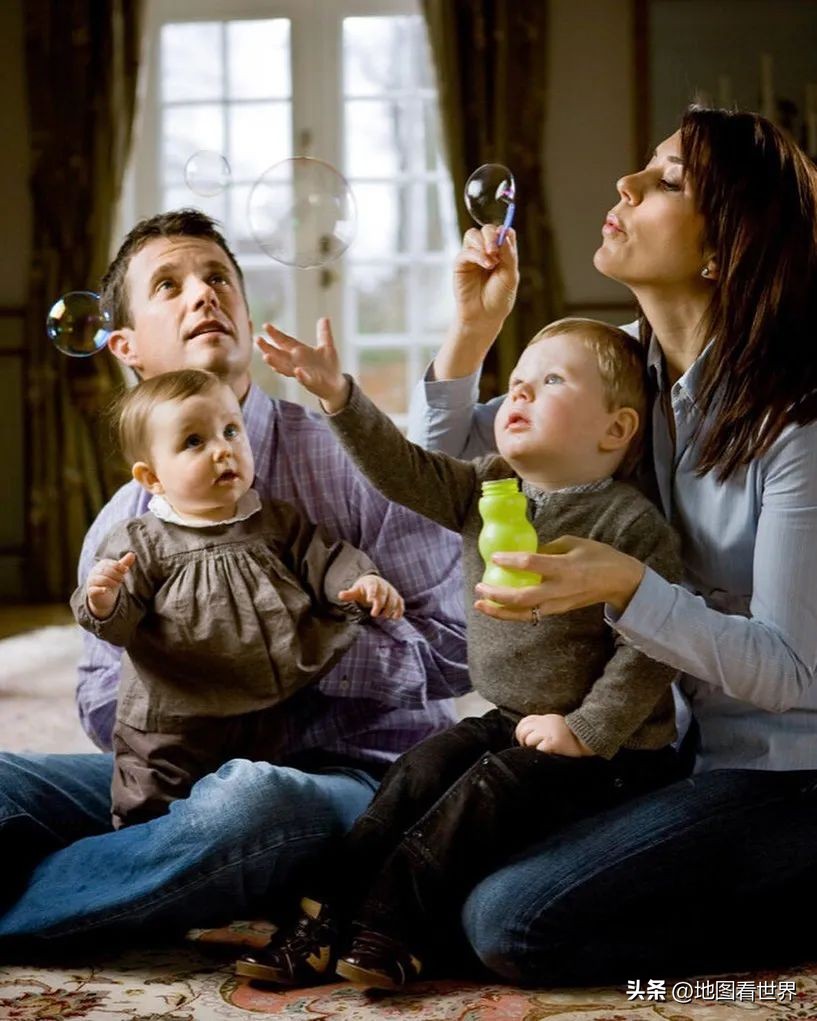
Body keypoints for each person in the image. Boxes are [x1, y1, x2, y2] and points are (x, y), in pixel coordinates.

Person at [405, 105, 817, 983]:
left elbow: (790, 673)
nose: (625, 184)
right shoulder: (625, 367)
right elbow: (450, 472)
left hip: (789, 772)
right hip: (670, 752)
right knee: (431, 869)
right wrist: (472, 332)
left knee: (509, 923)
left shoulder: (795, 423)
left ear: (722, 251)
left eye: (666, 180)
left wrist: (630, 586)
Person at [0, 210, 467, 947]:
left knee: (247, 804)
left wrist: (289, 652)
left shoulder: (359, 461)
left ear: (246, 316)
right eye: (169, 285)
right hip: (178, 778)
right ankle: (142, 873)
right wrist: (191, 676)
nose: (203, 294)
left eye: (219, 277)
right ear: (125, 346)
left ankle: (54, 893)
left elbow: (455, 650)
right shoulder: (123, 523)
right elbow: (97, 702)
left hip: (351, 778)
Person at [234, 314, 682, 989]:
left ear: (615, 429)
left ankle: (396, 929)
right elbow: (400, 471)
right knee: (421, 768)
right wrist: (339, 397)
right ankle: (319, 919)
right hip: (513, 718)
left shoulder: (629, 523)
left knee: (484, 790)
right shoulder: (485, 487)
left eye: (551, 381)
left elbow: (652, 649)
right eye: (518, 380)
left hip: (612, 753)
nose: (519, 392)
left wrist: (586, 730)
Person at [73, 368, 404, 829]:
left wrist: (362, 580)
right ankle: (139, 851)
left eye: (231, 431)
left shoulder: (274, 521)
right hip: (173, 722)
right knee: (151, 806)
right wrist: (104, 600)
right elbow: (119, 625)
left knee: (254, 801)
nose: (223, 449)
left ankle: (238, 854)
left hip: (265, 710)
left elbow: (325, 558)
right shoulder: (141, 541)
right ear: (152, 477)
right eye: (194, 441)